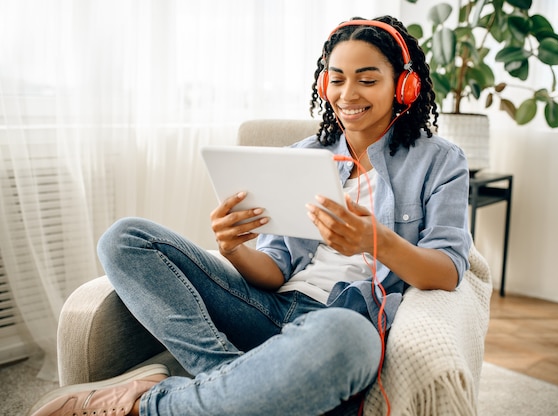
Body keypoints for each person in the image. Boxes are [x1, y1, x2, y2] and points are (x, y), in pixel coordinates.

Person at [29, 15, 471, 416]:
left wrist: (376, 241)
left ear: (404, 86)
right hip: (266, 309)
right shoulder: (303, 156)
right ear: (323, 86)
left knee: (348, 339)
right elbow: (273, 272)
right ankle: (228, 377)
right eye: (336, 79)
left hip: (339, 321)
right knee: (124, 238)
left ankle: (154, 404)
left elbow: (448, 272)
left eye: (367, 80)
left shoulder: (440, 162)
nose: (347, 94)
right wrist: (233, 249)